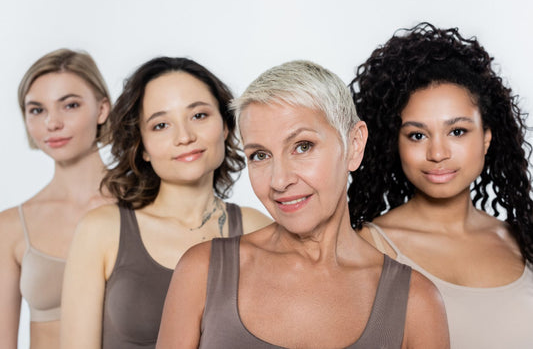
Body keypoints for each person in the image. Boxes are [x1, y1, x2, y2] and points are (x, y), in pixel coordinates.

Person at [157, 60, 449, 349]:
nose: (279, 180)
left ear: (354, 145)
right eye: (260, 155)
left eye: (303, 146)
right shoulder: (203, 271)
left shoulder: (415, 303)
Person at [60, 57, 271, 349]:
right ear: (142, 146)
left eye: (198, 115)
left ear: (225, 125)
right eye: (161, 125)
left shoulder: (257, 228)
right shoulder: (101, 230)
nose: (184, 136)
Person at [349, 22, 533, 349]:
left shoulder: (523, 241)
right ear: (395, 143)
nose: (437, 153)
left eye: (457, 131)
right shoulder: (370, 247)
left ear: (487, 137)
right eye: (417, 135)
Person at [0, 49, 113, 349]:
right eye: (37, 110)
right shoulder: (10, 226)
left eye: (70, 105)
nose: (52, 123)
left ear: (102, 109)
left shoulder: (145, 205)